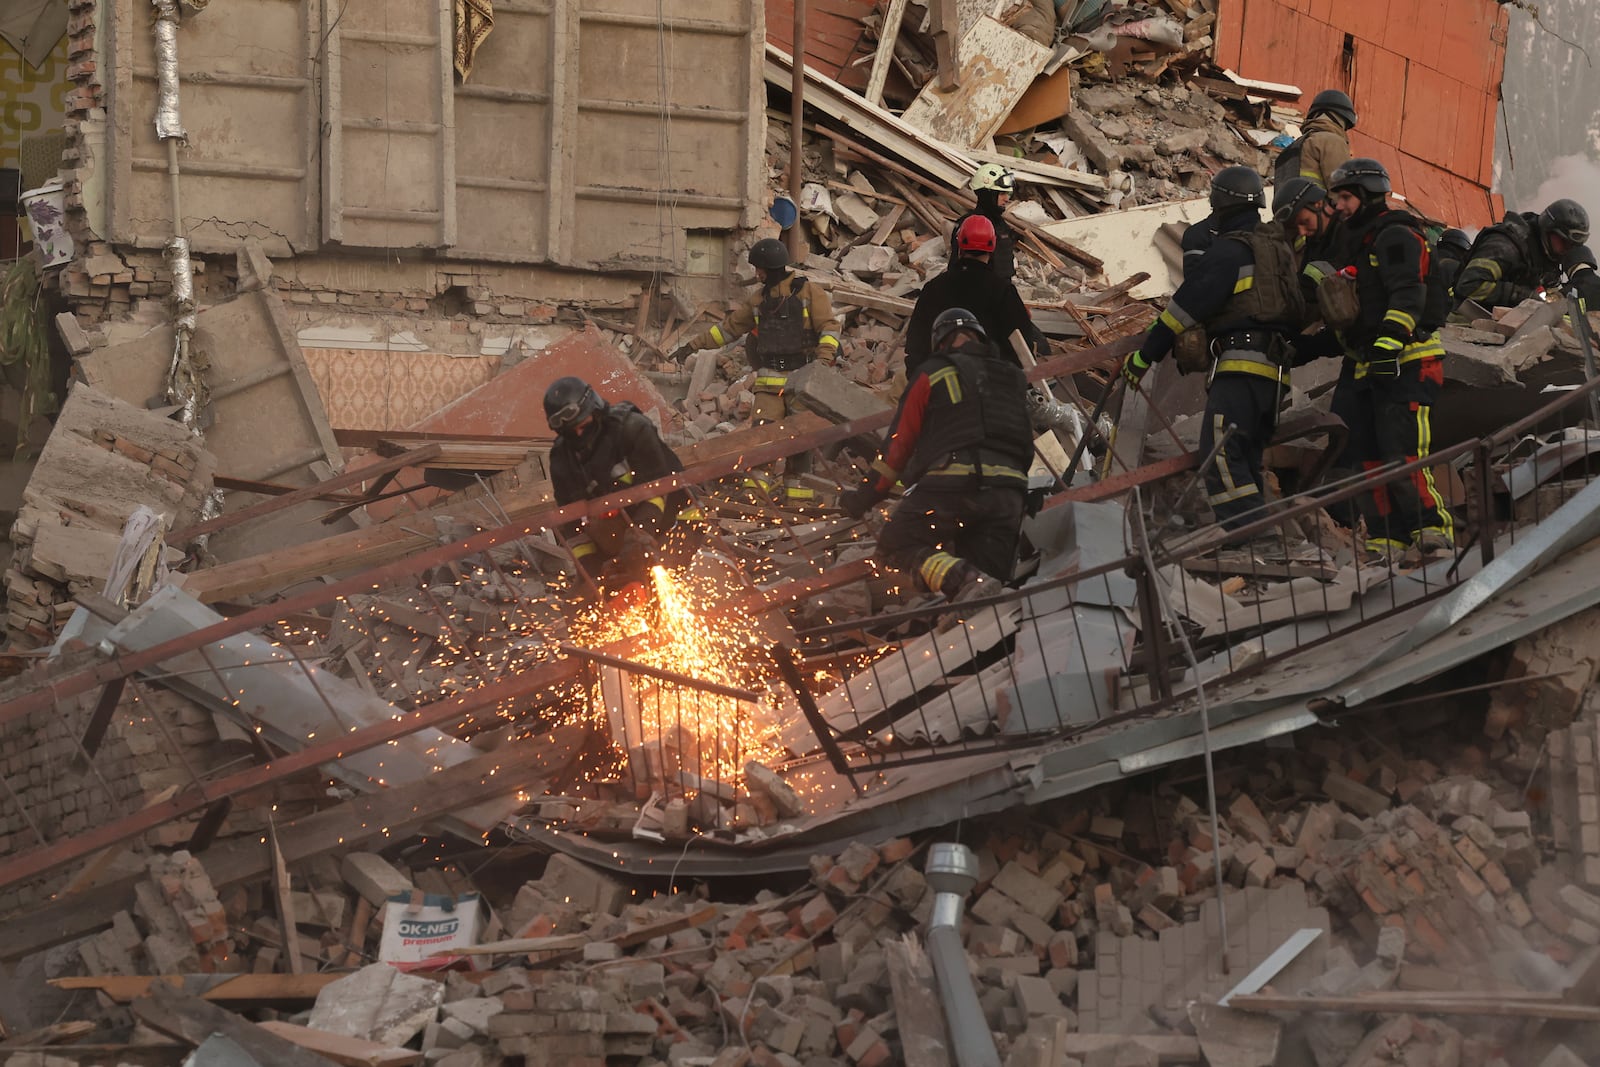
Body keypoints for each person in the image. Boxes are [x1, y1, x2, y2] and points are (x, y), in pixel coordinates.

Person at [1121, 166, 1307, 539]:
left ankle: (1254, 536)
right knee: (1247, 458)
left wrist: (1144, 356)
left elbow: (1183, 310)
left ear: (1221, 202)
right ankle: (1263, 541)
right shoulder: (1278, 252)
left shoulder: (1231, 250)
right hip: (1275, 377)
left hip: (1240, 368)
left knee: (1219, 454)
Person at [1310, 157, 1454, 558]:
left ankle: (1432, 533)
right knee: (1365, 459)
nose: (1337, 206)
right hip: (1367, 364)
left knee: (1402, 452)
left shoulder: (1396, 235)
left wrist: (1389, 344)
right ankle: (1385, 540)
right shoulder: (1358, 240)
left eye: (1344, 197)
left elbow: (1409, 293)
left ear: (1366, 195)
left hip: (1407, 361)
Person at [839, 308, 1033, 603]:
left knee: (894, 547)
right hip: (1009, 495)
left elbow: (897, 449)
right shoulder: (1013, 376)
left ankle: (960, 577)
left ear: (940, 342)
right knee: (986, 602)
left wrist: (862, 499)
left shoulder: (933, 372)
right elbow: (1024, 444)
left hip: (955, 488)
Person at [672, 238, 842, 503]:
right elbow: (728, 329)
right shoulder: (758, 300)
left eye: (759, 268)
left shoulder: (809, 293)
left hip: (803, 378)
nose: (756, 273)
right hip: (769, 382)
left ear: (770, 267)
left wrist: (822, 362)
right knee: (763, 434)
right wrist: (691, 346)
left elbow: (829, 328)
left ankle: (797, 497)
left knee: (801, 438)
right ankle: (756, 492)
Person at [545, 377, 687, 591]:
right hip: (619, 533)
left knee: (653, 579)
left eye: (583, 426)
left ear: (595, 410)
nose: (579, 434)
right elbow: (571, 523)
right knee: (585, 600)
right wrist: (590, 567)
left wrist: (639, 534)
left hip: (675, 517)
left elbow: (657, 488)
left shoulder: (631, 428)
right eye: (571, 432)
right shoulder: (562, 459)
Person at [904, 215, 1046, 375]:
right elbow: (1022, 348)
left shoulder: (934, 288)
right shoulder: (1002, 290)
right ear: (993, 247)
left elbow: (916, 345)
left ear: (959, 245)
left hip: (939, 384)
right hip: (989, 386)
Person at [1452, 198, 1600, 310]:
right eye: (1564, 242)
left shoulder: (1546, 255)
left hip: (1506, 328)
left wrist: (1560, 298)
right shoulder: (1506, 246)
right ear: (1548, 230)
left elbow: (1545, 296)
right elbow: (1468, 286)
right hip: (1465, 321)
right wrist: (1522, 296)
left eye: (1573, 245)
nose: (1568, 249)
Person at [1273, 89, 1357, 190]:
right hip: (1319, 205)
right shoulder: (1332, 141)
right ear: (1342, 119)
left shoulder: (1292, 148)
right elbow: (1343, 190)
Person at [952, 163, 1020, 282]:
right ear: (987, 194)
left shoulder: (1000, 224)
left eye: (1008, 194)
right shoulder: (971, 227)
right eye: (1002, 193)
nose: (1007, 199)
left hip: (1000, 291)